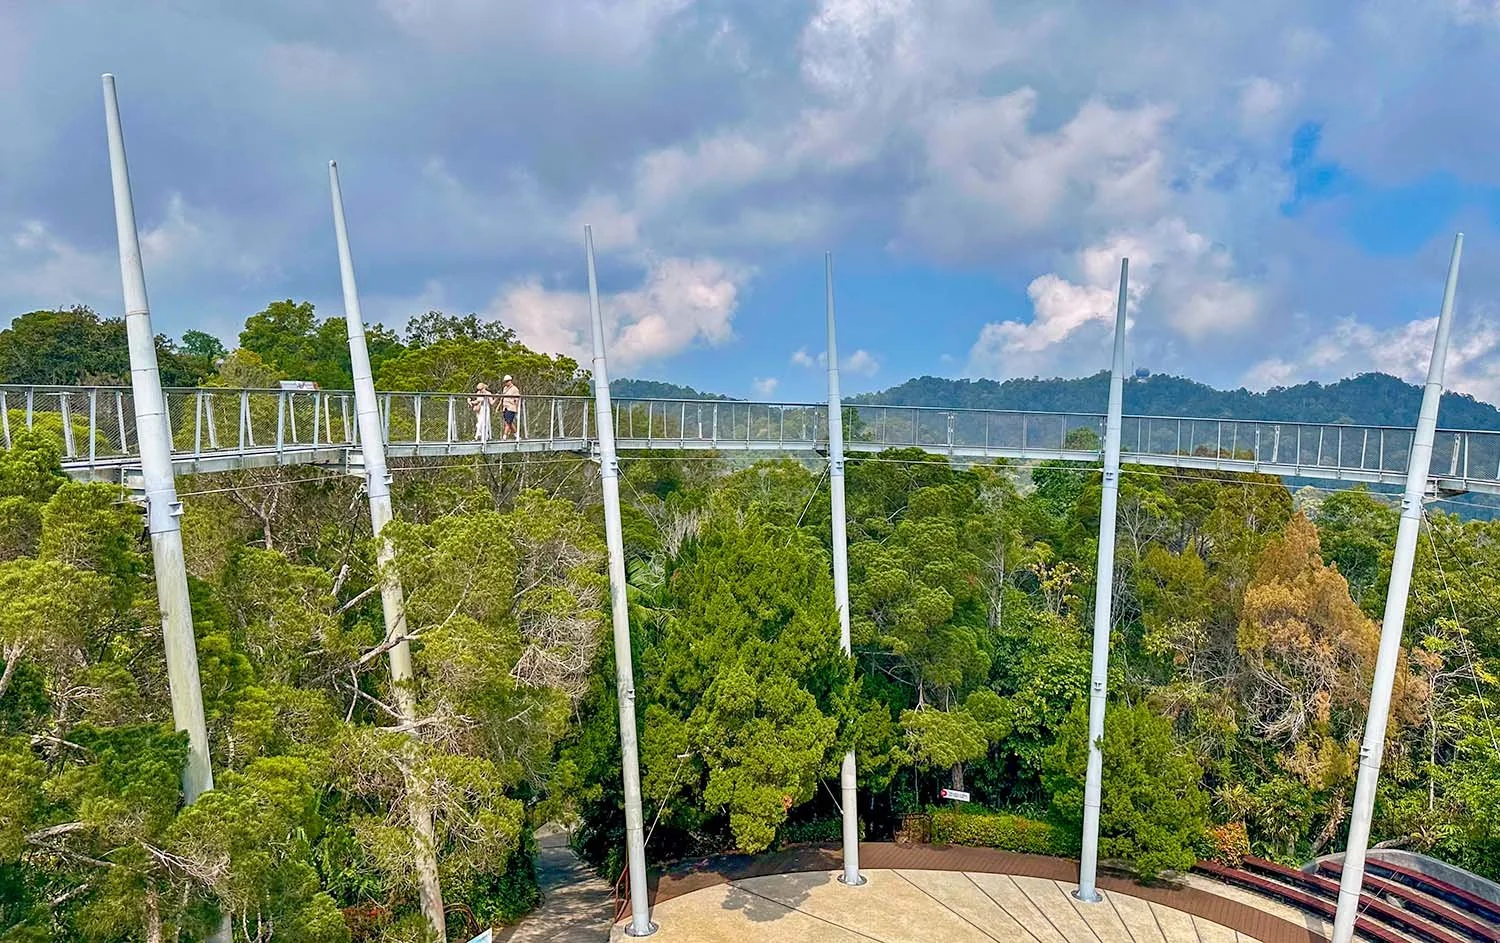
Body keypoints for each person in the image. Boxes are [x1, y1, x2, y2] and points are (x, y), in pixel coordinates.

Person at [500, 375, 522, 440]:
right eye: (505, 382)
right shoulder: (505, 389)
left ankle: (504, 436)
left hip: (511, 408)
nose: (506, 383)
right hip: (505, 407)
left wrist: (517, 408)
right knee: (509, 422)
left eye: (507, 381)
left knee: (508, 422)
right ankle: (516, 435)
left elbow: (517, 399)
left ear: (510, 381)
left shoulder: (514, 389)